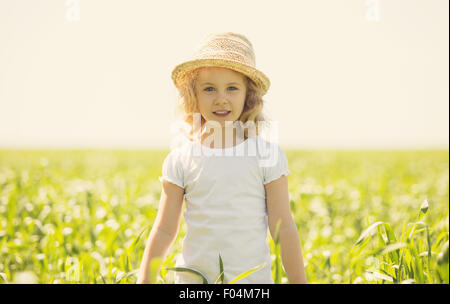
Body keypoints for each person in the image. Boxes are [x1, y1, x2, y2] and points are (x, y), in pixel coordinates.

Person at [137, 32, 307, 284]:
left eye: (232, 88)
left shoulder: (266, 155)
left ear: (248, 95)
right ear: (193, 95)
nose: (220, 98)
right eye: (209, 89)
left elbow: (284, 228)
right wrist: (145, 281)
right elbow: (163, 230)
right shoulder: (181, 159)